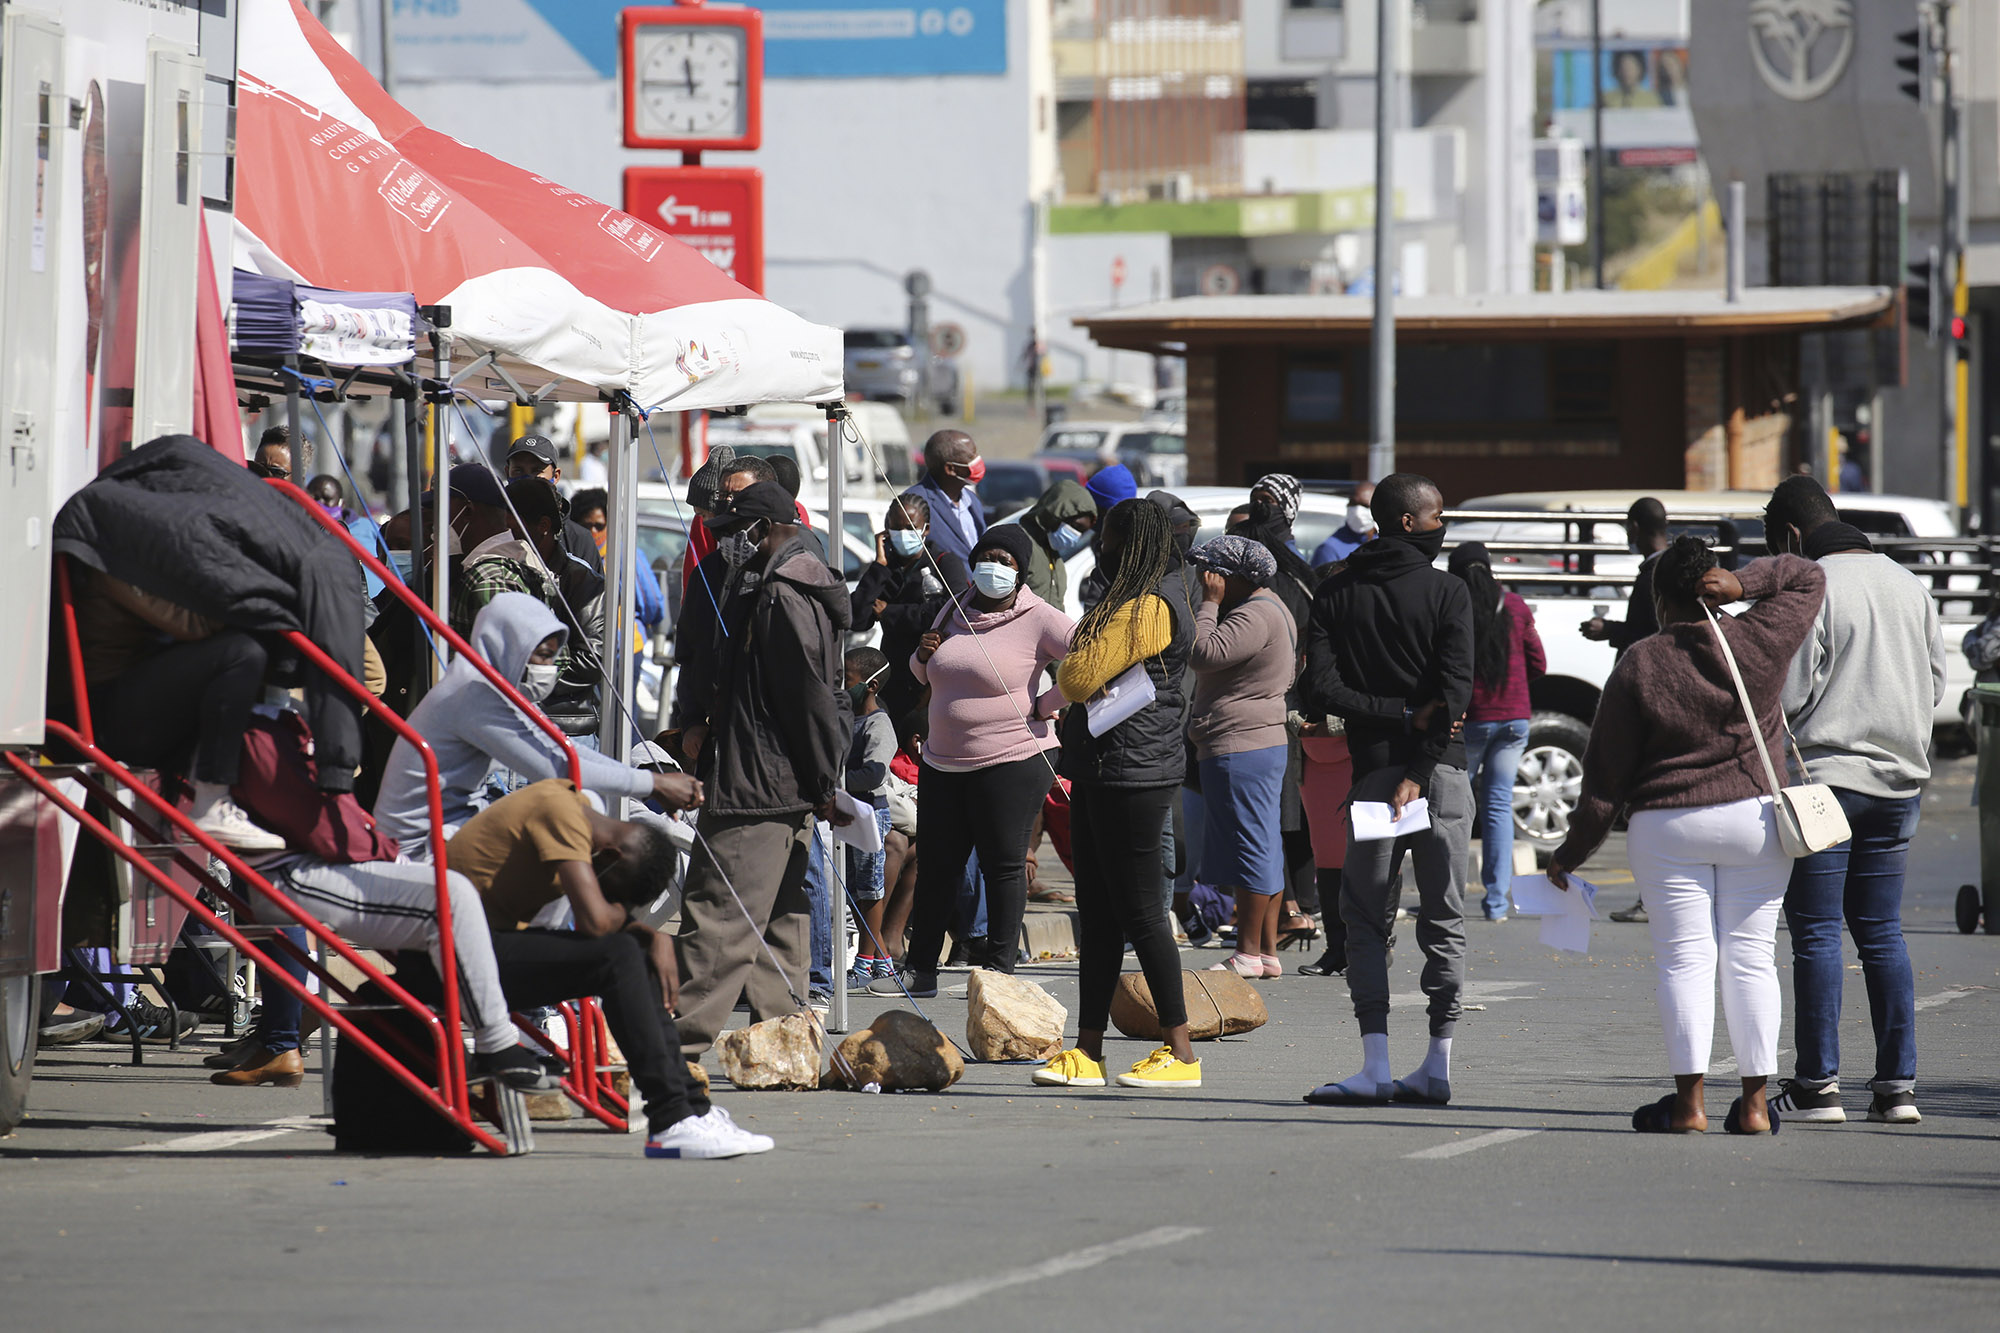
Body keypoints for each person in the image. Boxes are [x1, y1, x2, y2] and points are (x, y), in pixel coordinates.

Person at [1550, 539, 1825, 1134]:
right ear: (1713, 583)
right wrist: (1746, 585)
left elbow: (1604, 782)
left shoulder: (1640, 662)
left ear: (1658, 596)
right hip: (1755, 817)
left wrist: (1568, 856)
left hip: (1668, 824)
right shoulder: (1759, 639)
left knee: (1684, 963)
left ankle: (1690, 1106)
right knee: (1753, 958)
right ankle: (1754, 1108)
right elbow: (1806, 576)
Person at [213, 709, 558, 1092]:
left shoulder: (286, 726)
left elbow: (327, 824)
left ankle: (281, 1040)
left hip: (329, 855)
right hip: (309, 866)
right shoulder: (270, 732)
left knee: (452, 903)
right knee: (452, 900)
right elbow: (322, 829)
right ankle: (281, 1040)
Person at [445, 779, 773, 1159]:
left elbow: (601, 922)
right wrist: (644, 933)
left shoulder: (578, 808)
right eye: (610, 892)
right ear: (611, 856)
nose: (599, 890)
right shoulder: (560, 812)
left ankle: (689, 1108)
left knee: (629, 948)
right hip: (450, 960)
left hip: (483, 951)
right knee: (619, 953)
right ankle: (672, 1116)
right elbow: (594, 921)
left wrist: (649, 937)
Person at [1764, 476, 1944, 1127]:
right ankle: (1898, 1088)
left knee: (1815, 932)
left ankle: (1818, 1086)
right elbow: (1934, 683)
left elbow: (1786, 697)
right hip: (1899, 783)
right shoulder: (1908, 585)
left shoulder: (1812, 589)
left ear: (1789, 537)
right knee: (1881, 931)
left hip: (1825, 781)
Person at [1300, 472, 1473, 1107]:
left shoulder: (1335, 589)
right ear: (1409, 522)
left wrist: (1389, 722)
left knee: (1366, 920)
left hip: (1372, 778)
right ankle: (1437, 1064)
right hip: (1441, 777)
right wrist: (1419, 765)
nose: (1441, 526)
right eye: (1438, 517)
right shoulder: (1449, 591)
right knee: (1445, 917)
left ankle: (1375, 1066)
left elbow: (1321, 690)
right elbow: (1455, 697)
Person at [670, 481, 853, 1061]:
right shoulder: (783, 581)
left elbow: (808, 700)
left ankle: (672, 1048)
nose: (724, 542)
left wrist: (826, 782)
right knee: (778, 922)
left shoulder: (780, 595)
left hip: (759, 781)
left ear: (767, 528)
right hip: (779, 778)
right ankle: (786, 1046)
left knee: (717, 918)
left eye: (732, 532)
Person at [1038, 498, 1201, 1090]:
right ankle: (1087, 1051)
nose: (1098, 545)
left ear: (1130, 544)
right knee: (1099, 912)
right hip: (1104, 766)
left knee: (1141, 913)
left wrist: (1083, 654)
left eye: (1107, 536)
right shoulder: (1132, 597)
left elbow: (1077, 677)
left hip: (1134, 770)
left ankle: (1180, 1051)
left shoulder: (1151, 604)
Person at [879, 525, 1075, 994]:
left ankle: (1001, 973)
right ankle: (922, 968)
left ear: (1021, 571)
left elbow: (1091, 660)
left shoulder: (1039, 616)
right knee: (939, 864)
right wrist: (921, 657)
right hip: (944, 760)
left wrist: (1048, 704)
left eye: (1006, 560)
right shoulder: (954, 605)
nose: (994, 566)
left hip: (1013, 756)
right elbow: (928, 671)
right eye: (986, 556)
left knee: (1002, 864)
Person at [372, 593, 695, 848]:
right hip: (419, 845)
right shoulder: (473, 694)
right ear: (508, 647)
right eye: (541, 655)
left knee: (583, 805)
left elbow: (565, 748)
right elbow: (555, 765)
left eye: (554, 656)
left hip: (455, 826)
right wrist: (654, 784)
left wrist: (646, 782)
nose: (549, 667)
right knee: (561, 810)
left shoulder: (495, 688)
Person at [1185, 536, 1297, 978]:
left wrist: (1208, 604)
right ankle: (1265, 951)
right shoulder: (1273, 607)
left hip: (1241, 742)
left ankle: (1248, 951)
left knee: (1252, 846)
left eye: (1208, 573)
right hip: (1255, 741)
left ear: (1228, 577)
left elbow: (1203, 652)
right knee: (1264, 844)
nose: (1201, 578)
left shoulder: (1254, 613)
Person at [1581, 495, 1671, 924]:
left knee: (1642, 799)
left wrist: (1607, 630)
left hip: (1647, 696)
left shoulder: (1657, 570)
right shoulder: (1667, 566)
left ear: (1635, 526)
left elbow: (1647, 631)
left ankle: (1652, 897)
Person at [1448, 542, 1546, 922]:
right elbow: (1538, 661)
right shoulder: (1516, 606)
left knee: (1455, 809)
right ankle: (1496, 904)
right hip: (1514, 720)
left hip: (1471, 719)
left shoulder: (1454, 607)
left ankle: (1448, 898)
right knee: (1498, 807)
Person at [849, 492, 970, 721]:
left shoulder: (944, 562)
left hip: (931, 677)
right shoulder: (887, 568)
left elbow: (955, 608)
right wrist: (879, 566)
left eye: (910, 527)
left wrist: (890, 613)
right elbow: (857, 619)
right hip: (894, 677)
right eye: (897, 528)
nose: (904, 534)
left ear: (925, 529)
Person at [842, 647, 899, 986]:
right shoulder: (846, 718)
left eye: (846, 679)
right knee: (853, 887)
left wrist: (835, 781)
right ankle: (882, 961)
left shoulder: (878, 724)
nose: (840, 685)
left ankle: (865, 962)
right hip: (846, 813)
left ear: (871, 685)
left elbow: (874, 774)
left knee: (869, 888)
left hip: (869, 814)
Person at [570, 486, 666, 638]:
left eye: (599, 526)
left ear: (609, 523)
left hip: (626, 647)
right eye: (586, 526)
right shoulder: (568, 555)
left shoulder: (623, 555)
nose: (593, 532)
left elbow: (652, 603)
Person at [506, 432, 605, 575]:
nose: (527, 479)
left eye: (537, 471)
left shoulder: (578, 538)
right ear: (507, 472)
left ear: (556, 476)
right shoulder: (494, 529)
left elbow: (592, 592)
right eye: (518, 471)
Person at [908, 429, 987, 567]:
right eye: (971, 456)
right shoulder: (913, 503)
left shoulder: (972, 501)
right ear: (950, 469)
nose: (977, 460)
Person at [1013, 479, 1097, 607]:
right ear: (1057, 514)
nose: (1076, 535)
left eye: (1082, 531)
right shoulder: (1020, 544)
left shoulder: (1055, 558)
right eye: (1075, 526)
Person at [1313, 481, 1378, 566]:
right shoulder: (1329, 549)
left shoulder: (1385, 542)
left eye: (1365, 506)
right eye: (1353, 504)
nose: (1358, 511)